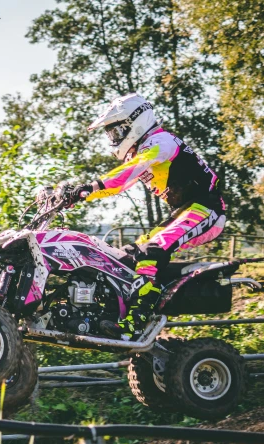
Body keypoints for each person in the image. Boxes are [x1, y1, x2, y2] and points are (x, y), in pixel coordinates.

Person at [66, 93, 226, 337]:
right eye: (111, 134)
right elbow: (116, 184)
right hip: (182, 213)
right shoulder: (144, 147)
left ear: (134, 122)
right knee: (130, 255)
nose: (114, 139)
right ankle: (118, 311)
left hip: (207, 210)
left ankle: (135, 323)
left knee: (153, 250)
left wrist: (88, 188)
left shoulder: (161, 142)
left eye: (117, 132)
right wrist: (77, 196)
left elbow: (124, 177)